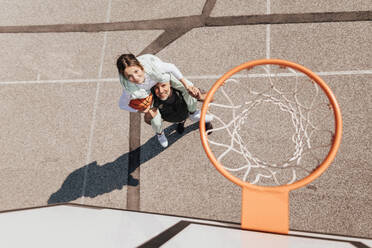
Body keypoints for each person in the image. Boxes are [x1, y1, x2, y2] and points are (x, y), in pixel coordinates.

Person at [117, 53, 212, 147]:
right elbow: (122, 105)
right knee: (154, 119)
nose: (135, 78)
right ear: (125, 77)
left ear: (141, 67)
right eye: (129, 76)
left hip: (159, 77)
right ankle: (160, 134)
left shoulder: (154, 67)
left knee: (187, 87)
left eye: (136, 71)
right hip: (147, 92)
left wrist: (187, 86)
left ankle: (193, 113)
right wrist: (141, 110)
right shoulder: (128, 88)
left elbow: (172, 67)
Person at [144, 81, 213, 147]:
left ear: (170, 84)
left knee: (203, 116)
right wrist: (149, 116)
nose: (161, 91)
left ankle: (205, 122)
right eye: (156, 87)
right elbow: (148, 121)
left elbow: (210, 98)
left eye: (163, 85)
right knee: (179, 119)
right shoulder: (154, 101)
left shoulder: (184, 91)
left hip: (187, 111)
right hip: (175, 117)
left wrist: (200, 97)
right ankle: (180, 123)